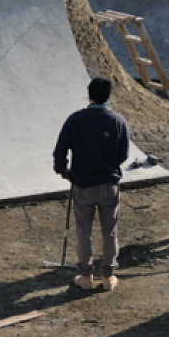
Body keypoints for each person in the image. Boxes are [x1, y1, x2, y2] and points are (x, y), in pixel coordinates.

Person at [53, 77, 130, 291]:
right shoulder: (118, 121)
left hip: (83, 183)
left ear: (89, 95)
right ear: (109, 96)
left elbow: (60, 150)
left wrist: (64, 171)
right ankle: (108, 277)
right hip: (109, 184)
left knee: (83, 230)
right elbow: (123, 154)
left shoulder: (75, 119)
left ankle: (86, 276)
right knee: (110, 231)